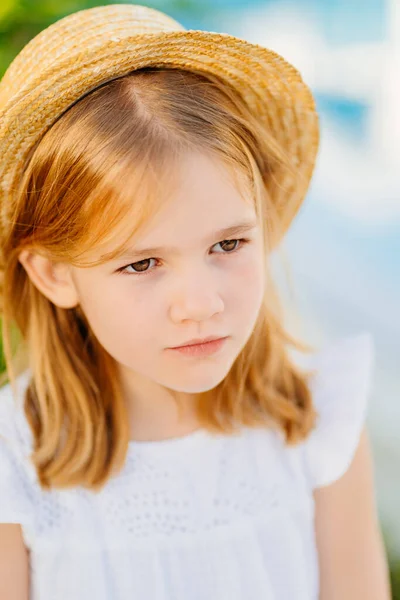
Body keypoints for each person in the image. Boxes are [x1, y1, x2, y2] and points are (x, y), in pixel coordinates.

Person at [0, 4, 391, 600]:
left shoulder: (316, 423)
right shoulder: (15, 462)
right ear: (55, 275)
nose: (201, 304)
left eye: (228, 243)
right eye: (142, 263)